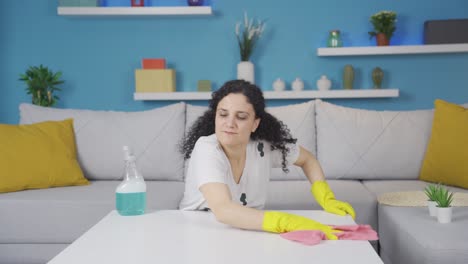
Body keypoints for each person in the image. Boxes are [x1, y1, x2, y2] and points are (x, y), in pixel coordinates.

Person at [179, 80, 355, 240]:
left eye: (241, 117)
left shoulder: (262, 147)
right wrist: (285, 221)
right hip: (199, 231)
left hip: (249, 230)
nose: (229, 123)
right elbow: (223, 210)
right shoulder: (206, 148)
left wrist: (326, 198)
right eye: (223, 114)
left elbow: (308, 159)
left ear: (255, 123)